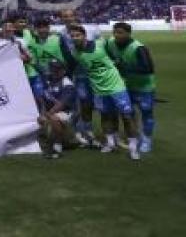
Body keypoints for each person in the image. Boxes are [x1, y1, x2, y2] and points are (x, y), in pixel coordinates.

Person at [68, 25, 140, 160]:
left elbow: (117, 56)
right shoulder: (75, 53)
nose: (75, 38)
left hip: (116, 87)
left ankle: (133, 147)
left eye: (77, 35)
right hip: (98, 89)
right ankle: (110, 143)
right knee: (105, 115)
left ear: (84, 36)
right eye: (72, 36)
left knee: (126, 116)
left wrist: (119, 67)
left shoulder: (101, 44)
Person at [105, 22, 156, 153]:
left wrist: (125, 67)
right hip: (125, 85)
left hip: (144, 87)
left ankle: (146, 140)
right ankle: (135, 137)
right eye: (115, 32)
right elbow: (108, 55)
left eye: (121, 33)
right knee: (128, 113)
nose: (117, 35)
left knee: (146, 113)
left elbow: (148, 68)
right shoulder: (110, 42)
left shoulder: (138, 47)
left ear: (129, 33)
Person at [59, 10, 97, 148]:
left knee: (90, 104)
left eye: (70, 16)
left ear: (75, 16)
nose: (68, 18)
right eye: (65, 16)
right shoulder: (62, 34)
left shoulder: (91, 30)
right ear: (62, 19)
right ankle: (79, 133)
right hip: (76, 74)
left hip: (94, 73)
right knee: (80, 102)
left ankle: (87, 130)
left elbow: (99, 47)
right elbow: (65, 54)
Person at [2, 20, 43, 111]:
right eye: (6, 28)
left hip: (21, 74)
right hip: (6, 76)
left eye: (10, 27)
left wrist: (19, 58)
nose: (9, 30)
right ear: (2, 29)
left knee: (31, 97)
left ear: (13, 29)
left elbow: (29, 57)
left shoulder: (20, 41)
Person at [38, 60, 76, 159]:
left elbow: (61, 104)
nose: (53, 71)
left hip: (67, 114)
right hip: (52, 113)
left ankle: (57, 148)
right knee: (40, 119)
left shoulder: (67, 84)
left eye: (56, 69)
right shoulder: (48, 81)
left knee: (54, 118)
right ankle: (46, 144)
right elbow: (42, 99)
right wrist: (42, 113)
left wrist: (47, 115)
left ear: (63, 71)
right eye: (52, 69)